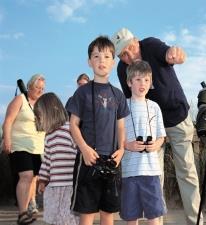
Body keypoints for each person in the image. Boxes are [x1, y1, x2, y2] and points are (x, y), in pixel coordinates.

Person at [111, 28, 202, 225]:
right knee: (154, 175)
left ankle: (196, 222)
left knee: (186, 171)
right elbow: (130, 106)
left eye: (130, 49)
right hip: (149, 128)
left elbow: (170, 53)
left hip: (177, 117)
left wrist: (175, 54)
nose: (128, 57)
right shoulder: (122, 69)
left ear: (136, 41)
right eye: (122, 55)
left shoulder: (151, 45)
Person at [66, 35, 130, 225]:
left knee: (107, 211)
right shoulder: (82, 92)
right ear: (89, 62)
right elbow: (73, 125)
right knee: (86, 212)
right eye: (96, 56)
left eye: (106, 56)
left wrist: (122, 150)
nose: (101, 60)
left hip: (111, 160)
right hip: (88, 159)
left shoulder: (118, 95)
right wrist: (84, 149)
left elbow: (120, 125)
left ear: (113, 61)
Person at [121, 60, 166, 225]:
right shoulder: (122, 106)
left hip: (152, 170)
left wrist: (156, 144)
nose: (143, 84)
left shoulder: (155, 107)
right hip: (130, 171)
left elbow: (161, 135)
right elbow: (117, 137)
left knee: (153, 215)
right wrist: (128, 145)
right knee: (131, 215)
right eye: (138, 79)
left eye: (146, 80)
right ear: (129, 82)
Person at [2, 74, 46, 225]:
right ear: (29, 87)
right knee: (26, 176)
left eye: (42, 88)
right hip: (20, 144)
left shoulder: (41, 105)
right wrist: (7, 139)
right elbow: (7, 121)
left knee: (33, 178)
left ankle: (27, 208)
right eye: (37, 88)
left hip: (37, 146)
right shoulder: (20, 99)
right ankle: (22, 213)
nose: (40, 91)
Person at [34, 92, 79, 225]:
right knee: (55, 218)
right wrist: (42, 180)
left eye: (41, 116)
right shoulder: (48, 136)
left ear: (51, 111)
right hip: (54, 186)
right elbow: (47, 160)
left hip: (70, 185)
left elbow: (80, 152)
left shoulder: (69, 129)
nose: (40, 119)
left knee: (69, 219)